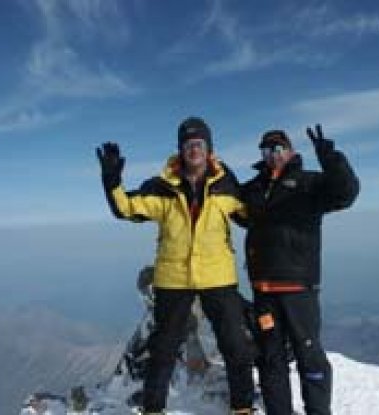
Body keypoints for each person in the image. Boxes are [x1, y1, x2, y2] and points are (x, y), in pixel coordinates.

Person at [96, 117, 255, 415]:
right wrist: (112, 182)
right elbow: (126, 208)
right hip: (173, 281)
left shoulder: (226, 185)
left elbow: (252, 214)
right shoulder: (162, 188)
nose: (193, 150)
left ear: (209, 149)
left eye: (199, 144)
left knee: (235, 346)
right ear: (180, 150)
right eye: (188, 145)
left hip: (218, 278)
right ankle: (153, 410)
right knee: (162, 352)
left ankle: (242, 408)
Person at [241, 125, 360, 415]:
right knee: (270, 359)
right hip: (264, 292)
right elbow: (225, 200)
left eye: (279, 148)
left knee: (310, 357)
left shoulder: (309, 184)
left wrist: (329, 156)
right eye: (267, 150)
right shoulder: (254, 190)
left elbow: (346, 193)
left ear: (291, 151)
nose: (273, 155)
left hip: (299, 291)